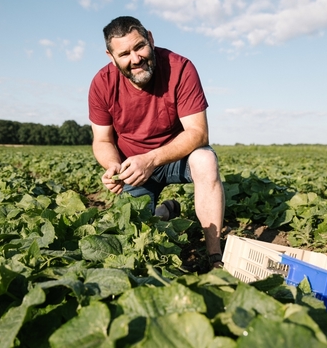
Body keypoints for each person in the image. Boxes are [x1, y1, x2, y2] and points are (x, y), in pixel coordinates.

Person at [88, 16, 225, 270]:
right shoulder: (102, 83)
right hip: (133, 168)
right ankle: (165, 212)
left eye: (139, 46)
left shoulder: (180, 68)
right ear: (111, 56)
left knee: (205, 159)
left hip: (174, 157)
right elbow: (102, 139)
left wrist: (151, 159)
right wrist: (113, 166)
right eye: (125, 53)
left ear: (150, 38)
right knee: (135, 237)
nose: (136, 58)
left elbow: (198, 133)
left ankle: (215, 258)